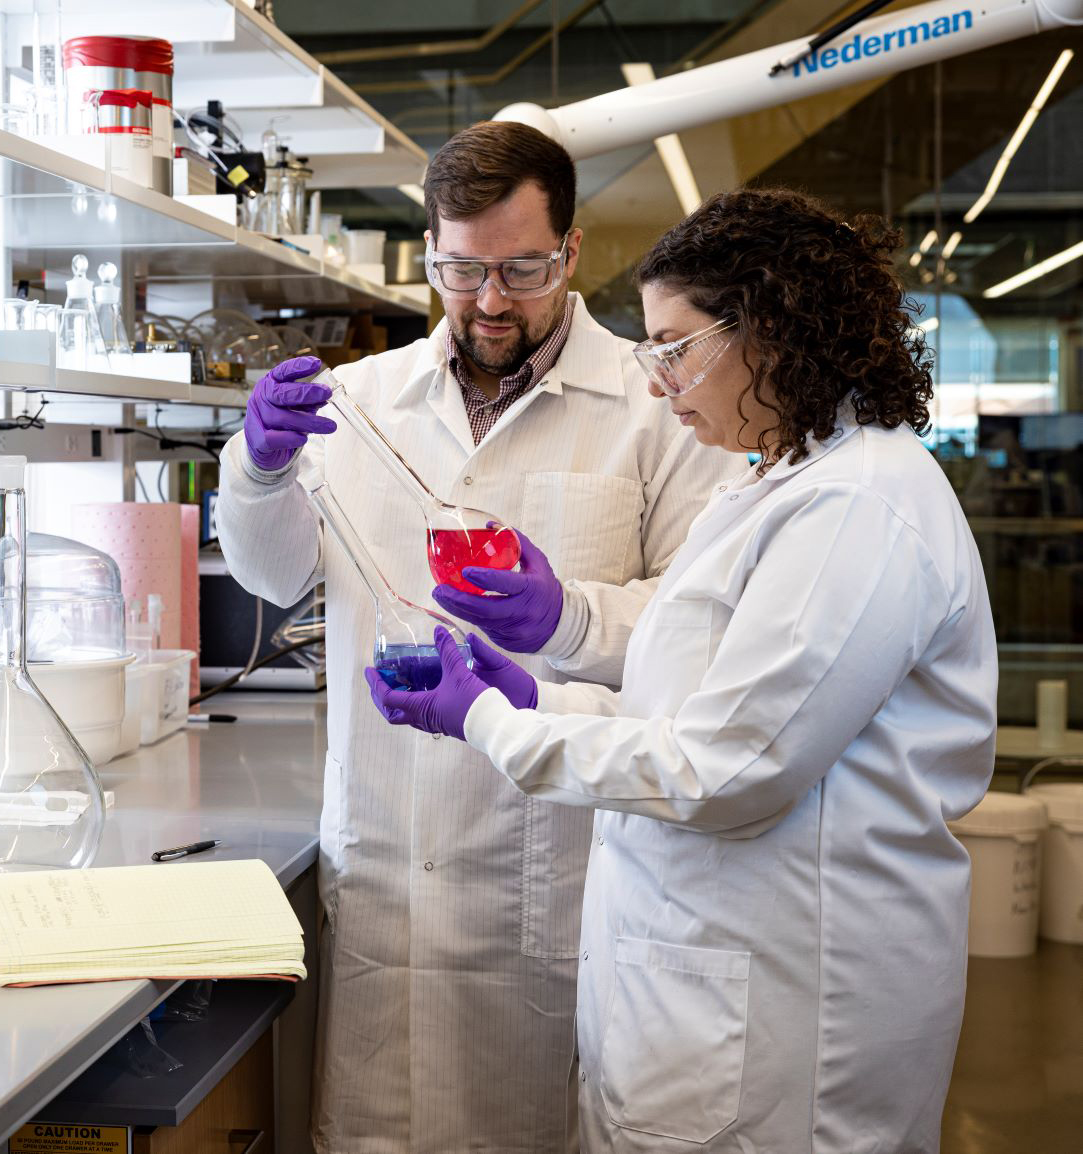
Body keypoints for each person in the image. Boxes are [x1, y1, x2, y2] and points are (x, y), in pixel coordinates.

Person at [367, 188, 997, 1151]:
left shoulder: (857, 506)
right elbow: (690, 698)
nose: (657, 384)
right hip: (701, 984)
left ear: (772, 331)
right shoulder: (773, 481)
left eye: (673, 347)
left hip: (789, 1008)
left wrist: (489, 725)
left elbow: (727, 770)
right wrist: (533, 687)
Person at [216, 121, 732, 1153]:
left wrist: (566, 618)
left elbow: (700, 626)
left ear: (572, 253)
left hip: (556, 860)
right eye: (461, 269)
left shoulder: (657, 401)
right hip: (392, 856)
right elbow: (273, 574)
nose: (490, 300)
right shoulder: (364, 402)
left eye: (521, 269)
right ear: (432, 250)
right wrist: (260, 466)